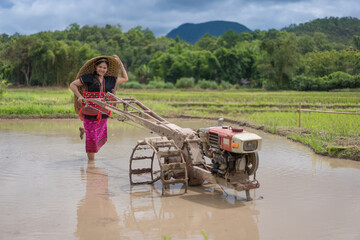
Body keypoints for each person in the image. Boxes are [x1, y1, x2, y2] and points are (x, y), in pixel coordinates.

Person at [70, 55, 128, 160]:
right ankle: (91, 163)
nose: (102, 69)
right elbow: (72, 85)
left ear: (107, 70)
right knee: (91, 139)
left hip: (102, 113)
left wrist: (121, 64)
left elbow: (125, 78)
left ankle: (84, 130)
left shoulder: (110, 80)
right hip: (89, 112)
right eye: (100, 67)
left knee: (96, 135)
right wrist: (80, 97)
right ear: (96, 67)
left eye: (104, 68)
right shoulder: (89, 78)